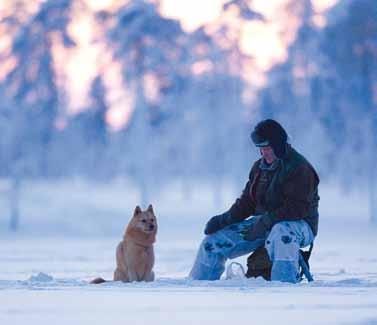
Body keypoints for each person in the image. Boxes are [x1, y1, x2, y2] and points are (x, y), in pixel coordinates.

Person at [189, 119, 320, 283]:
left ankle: (284, 288)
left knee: (281, 233)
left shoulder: (299, 168)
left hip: (299, 225)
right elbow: (247, 203)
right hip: (262, 224)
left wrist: (265, 222)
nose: (264, 153)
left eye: (268, 148)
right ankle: (197, 288)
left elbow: (297, 208)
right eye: (261, 149)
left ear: (279, 146)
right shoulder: (259, 168)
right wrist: (223, 220)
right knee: (213, 243)